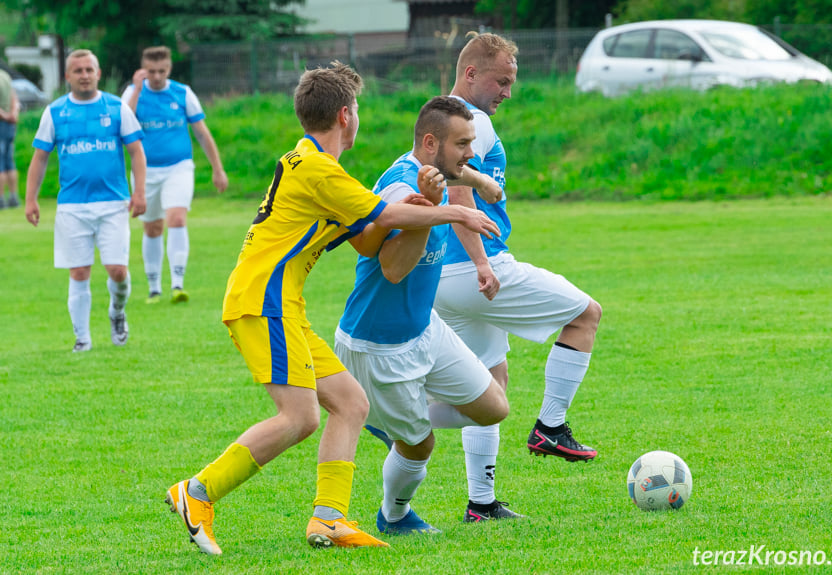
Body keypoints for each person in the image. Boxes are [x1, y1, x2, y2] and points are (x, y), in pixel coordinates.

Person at [164, 62, 501, 555]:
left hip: (281, 305)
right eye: (358, 109)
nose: (359, 117)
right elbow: (383, 215)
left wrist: (427, 208)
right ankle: (197, 492)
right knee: (299, 418)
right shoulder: (319, 170)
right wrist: (457, 209)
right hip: (264, 302)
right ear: (346, 115)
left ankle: (329, 520)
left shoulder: (316, 166)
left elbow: (367, 242)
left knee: (350, 403)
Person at [433, 33, 603, 521]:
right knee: (585, 315)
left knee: (488, 386)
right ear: (471, 74)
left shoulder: (435, 119)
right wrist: (484, 262)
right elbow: (459, 185)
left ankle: (481, 504)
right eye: (501, 80)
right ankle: (551, 428)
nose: (508, 90)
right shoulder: (473, 121)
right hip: (476, 267)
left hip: (440, 277)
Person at [335, 96, 511, 536]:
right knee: (420, 446)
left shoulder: (434, 170)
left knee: (494, 407)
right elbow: (393, 269)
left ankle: (383, 417)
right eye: (462, 144)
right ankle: (394, 517)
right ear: (430, 143)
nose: (471, 155)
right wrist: (435, 214)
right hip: (379, 343)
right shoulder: (399, 187)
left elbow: (459, 174)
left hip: (424, 329)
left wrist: (468, 194)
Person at [25, 49, 146, 352]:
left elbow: (136, 152)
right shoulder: (55, 112)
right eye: (77, 70)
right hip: (72, 206)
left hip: (113, 203)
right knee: (79, 271)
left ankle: (117, 313)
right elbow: (40, 158)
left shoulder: (117, 108)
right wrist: (31, 199)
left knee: (117, 270)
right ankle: (83, 338)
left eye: (89, 70)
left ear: (98, 73)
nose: (84, 75)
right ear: (68, 76)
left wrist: (139, 192)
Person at [122, 46, 229, 304]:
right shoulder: (132, 93)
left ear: (169, 69)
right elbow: (124, 122)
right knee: (153, 226)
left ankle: (178, 284)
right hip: (145, 171)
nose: (156, 76)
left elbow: (202, 132)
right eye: (151, 71)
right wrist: (136, 89)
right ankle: (154, 287)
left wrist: (218, 168)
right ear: (143, 69)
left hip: (179, 167)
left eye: (161, 71)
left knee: (177, 218)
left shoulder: (182, 93)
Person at [0, 67, 20, 209]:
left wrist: (5, 116)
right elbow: (15, 99)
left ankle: (0, 199)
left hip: (1, 122)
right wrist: (13, 114)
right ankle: (14, 198)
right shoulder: (5, 75)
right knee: (9, 161)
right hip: (10, 125)